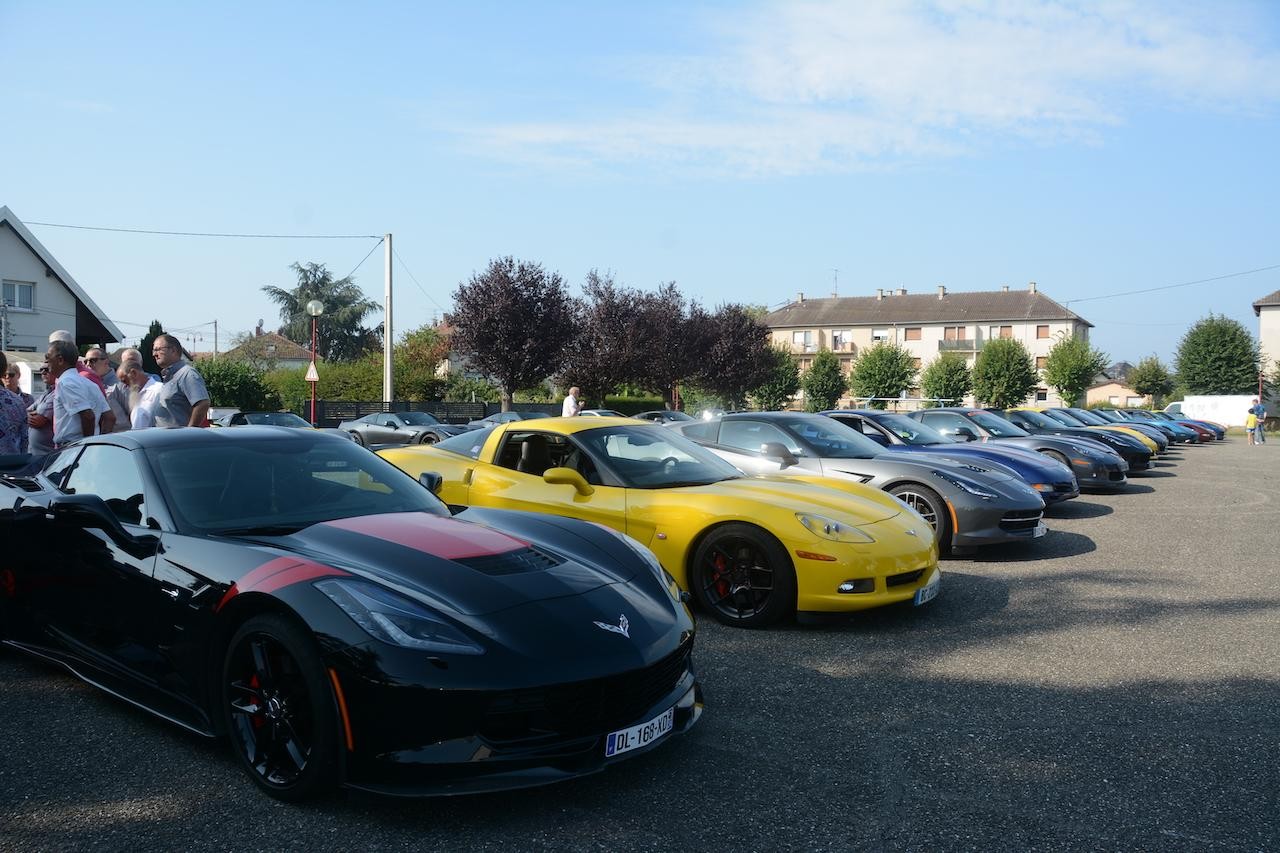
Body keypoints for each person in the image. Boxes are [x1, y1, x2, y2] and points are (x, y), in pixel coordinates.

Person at [47, 339, 112, 448]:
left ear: (60, 360)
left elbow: (88, 416)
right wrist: (99, 445)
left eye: (48, 357)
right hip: (84, 447)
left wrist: (86, 447)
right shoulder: (90, 384)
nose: (46, 362)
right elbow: (110, 417)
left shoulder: (66, 383)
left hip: (72, 448)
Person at [150, 334, 210, 428]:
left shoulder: (187, 374)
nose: (154, 354)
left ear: (173, 350)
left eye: (158, 349)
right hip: (165, 439)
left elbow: (202, 403)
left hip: (178, 439)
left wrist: (189, 431)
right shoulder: (169, 376)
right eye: (154, 350)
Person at [85, 347, 130, 432]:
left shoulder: (120, 385)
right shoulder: (89, 385)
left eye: (92, 360)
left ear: (106, 362)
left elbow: (133, 414)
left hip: (120, 438)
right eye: (85, 361)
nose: (88, 364)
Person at [117, 360, 163, 429]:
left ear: (134, 373)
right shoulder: (136, 396)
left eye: (125, 381)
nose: (125, 386)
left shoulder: (158, 390)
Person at [0, 353, 30, 456]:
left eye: (11, 374)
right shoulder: (18, 401)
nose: (8, 377)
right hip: (11, 462)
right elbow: (24, 437)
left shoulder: (23, 399)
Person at [26, 367, 56, 457]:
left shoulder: (57, 392)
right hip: (35, 453)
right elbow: (26, 412)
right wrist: (31, 414)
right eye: (41, 369)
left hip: (47, 453)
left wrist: (33, 413)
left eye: (47, 369)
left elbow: (38, 421)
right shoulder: (46, 393)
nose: (43, 372)